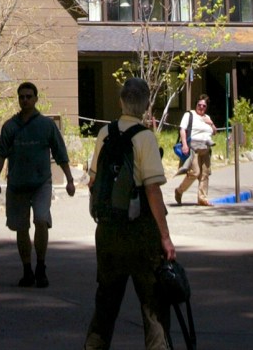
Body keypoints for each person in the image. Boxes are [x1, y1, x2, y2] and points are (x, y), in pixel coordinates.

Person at [84, 77, 176, 350]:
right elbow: (153, 190)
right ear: (147, 105)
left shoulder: (105, 133)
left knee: (106, 303)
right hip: (140, 232)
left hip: (109, 230)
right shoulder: (145, 137)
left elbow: (93, 180)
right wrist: (165, 237)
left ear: (120, 102)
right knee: (153, 304)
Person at [0, 80, 75, 288]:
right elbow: (0, 155)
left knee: (41, 219)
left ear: (36, 99)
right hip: (17, 184)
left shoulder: (46, 125)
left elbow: (60, 153)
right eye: (22, 97)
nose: (25, 100)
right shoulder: (10, 126)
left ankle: (41, 266)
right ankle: (27, 269)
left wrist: (70, 180)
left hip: (41, 184)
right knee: (20, 227)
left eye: (29, 96)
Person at [173, 93, 217, 206]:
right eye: (199, 105)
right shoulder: (189, 115)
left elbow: (215, 132)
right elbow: (182, 129)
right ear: (196, 104)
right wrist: (184, 145)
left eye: (204, 106)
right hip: (193, 148)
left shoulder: (207, 118)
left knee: (205, 174)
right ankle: (179, 191)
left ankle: (202, 198)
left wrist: (211, 123)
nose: (201, 107)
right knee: (195, 172)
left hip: (206, 148)